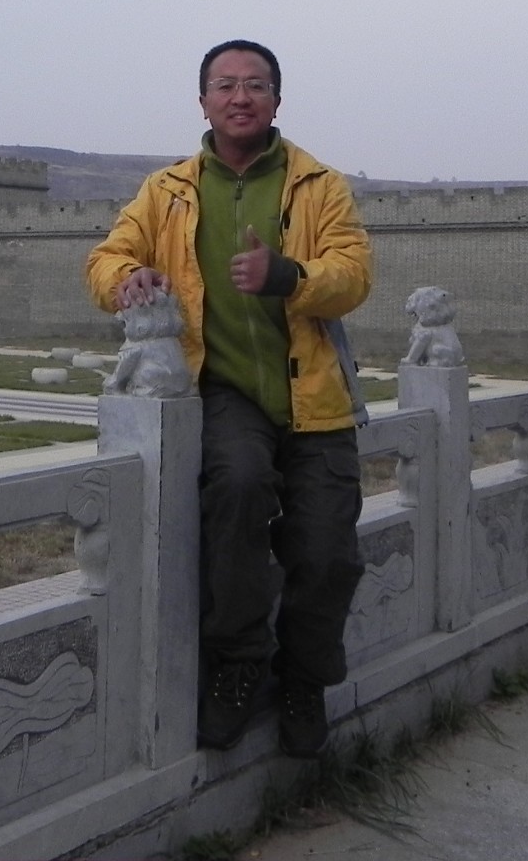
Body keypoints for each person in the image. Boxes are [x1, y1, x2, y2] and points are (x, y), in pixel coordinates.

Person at [84, 39, 372, 757]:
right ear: (203, 100)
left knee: (328, 549)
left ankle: (304, 680)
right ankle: (237, 665)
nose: (240, 97)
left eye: (255, 85)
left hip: (314, 395)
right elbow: (105, 257)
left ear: (277, 98)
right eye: (225, 85)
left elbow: (354, 274)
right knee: (237, 490)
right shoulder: (168, 191)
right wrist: (128, 282)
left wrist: (287, 275)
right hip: (226, 392)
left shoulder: (319, 185)